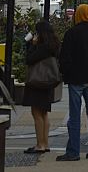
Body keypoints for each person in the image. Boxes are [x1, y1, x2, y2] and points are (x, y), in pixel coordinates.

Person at [57, 4, 88, 161]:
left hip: (76, 78)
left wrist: (66, 73)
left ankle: (73, 152)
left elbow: (64, 57)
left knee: (75, 116)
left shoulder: (71, 33)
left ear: (77, 15)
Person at [24, 21, 61, 154]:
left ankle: (40, 144)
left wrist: (31, 45)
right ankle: (45, 143)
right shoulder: (54, 45)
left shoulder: (42, 47)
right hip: (48, 83)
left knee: (36, 113)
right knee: (44, 113)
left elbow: (29, 59)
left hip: (37, 83)